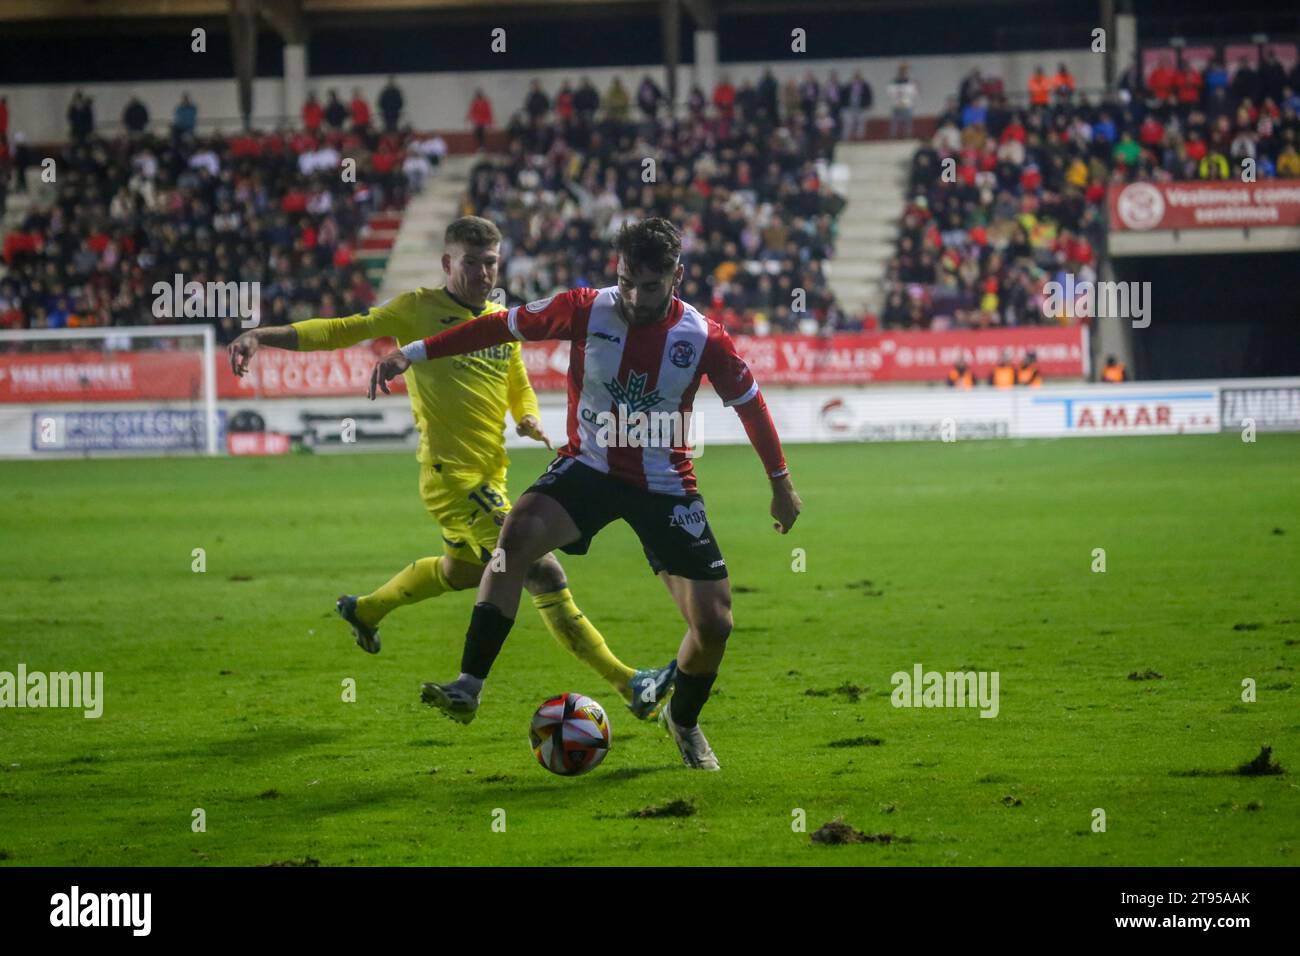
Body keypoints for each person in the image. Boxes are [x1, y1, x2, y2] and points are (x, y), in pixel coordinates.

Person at [368, 217, 803, 771]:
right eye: (626, 281)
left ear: (677, 277)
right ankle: (469, 683)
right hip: (588, 469)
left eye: (650, 286)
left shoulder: (702, 337)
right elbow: (499, 326)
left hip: (665, 486)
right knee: (514, 538)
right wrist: (415, 352)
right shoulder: (582, 307)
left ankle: (683, 721)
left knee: (714, 625)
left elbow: (749, 403)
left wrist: (780, 482)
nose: (635, 297)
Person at [227, 216, 674, 720]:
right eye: (472, 263)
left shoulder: (500, 317)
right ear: (447, 263)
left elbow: (516, 379)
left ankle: (365, 609)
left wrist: (525, 413)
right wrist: (260, 336)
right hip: (453, 478)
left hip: (491, 474)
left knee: (460, 572)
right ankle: (629, 683)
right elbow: (341, 329)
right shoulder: (417, 309)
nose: (484, 274)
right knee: (540, 568)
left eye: (491, 263)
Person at [888, 63, 918, 138]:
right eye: (901, 71)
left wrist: (905, 99)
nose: (903, 73)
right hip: (896, 104)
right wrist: (898, 99)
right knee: (895, 122)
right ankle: (893, 136)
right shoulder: (894, 81)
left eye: (904, 71)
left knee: (907, 122)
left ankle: (907, 135)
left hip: (907, 104)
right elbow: (890, 91)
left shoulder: (910, 81)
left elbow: (914, 92)